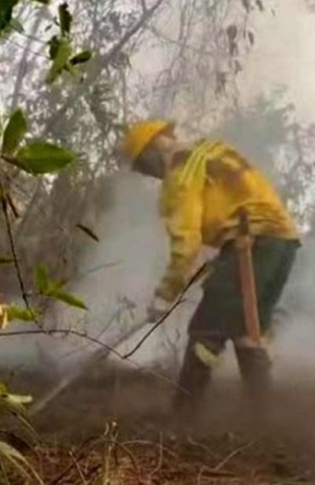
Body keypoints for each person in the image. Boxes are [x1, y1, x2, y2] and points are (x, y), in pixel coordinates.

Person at [120, 119, 301, 418]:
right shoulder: (209, 149)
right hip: (282, 243)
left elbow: (186, 244)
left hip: (249, 243)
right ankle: (262, 419)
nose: (151, 175)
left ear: (150, 153)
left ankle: (183, 418)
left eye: (143, 167)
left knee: (206, 329)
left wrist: (164, 295)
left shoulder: (180, 171)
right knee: (248, 331)